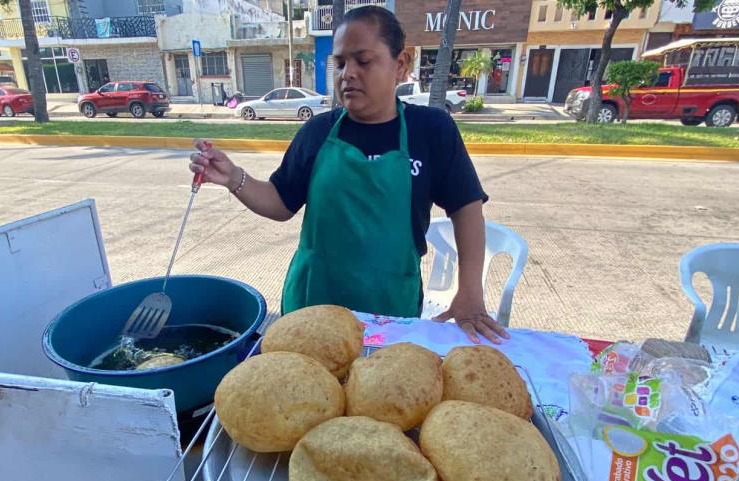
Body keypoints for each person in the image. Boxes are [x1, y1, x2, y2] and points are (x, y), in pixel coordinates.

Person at [188, 6, 508, 344]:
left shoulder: (431, 130)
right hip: (312, 309)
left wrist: (470, 290)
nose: (348, 73)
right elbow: (280, 203)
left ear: (401, 65)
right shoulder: (318, 132)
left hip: (390, 312)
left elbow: (467, 208)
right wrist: (233, 178)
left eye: (363, 61)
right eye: (340, 63)